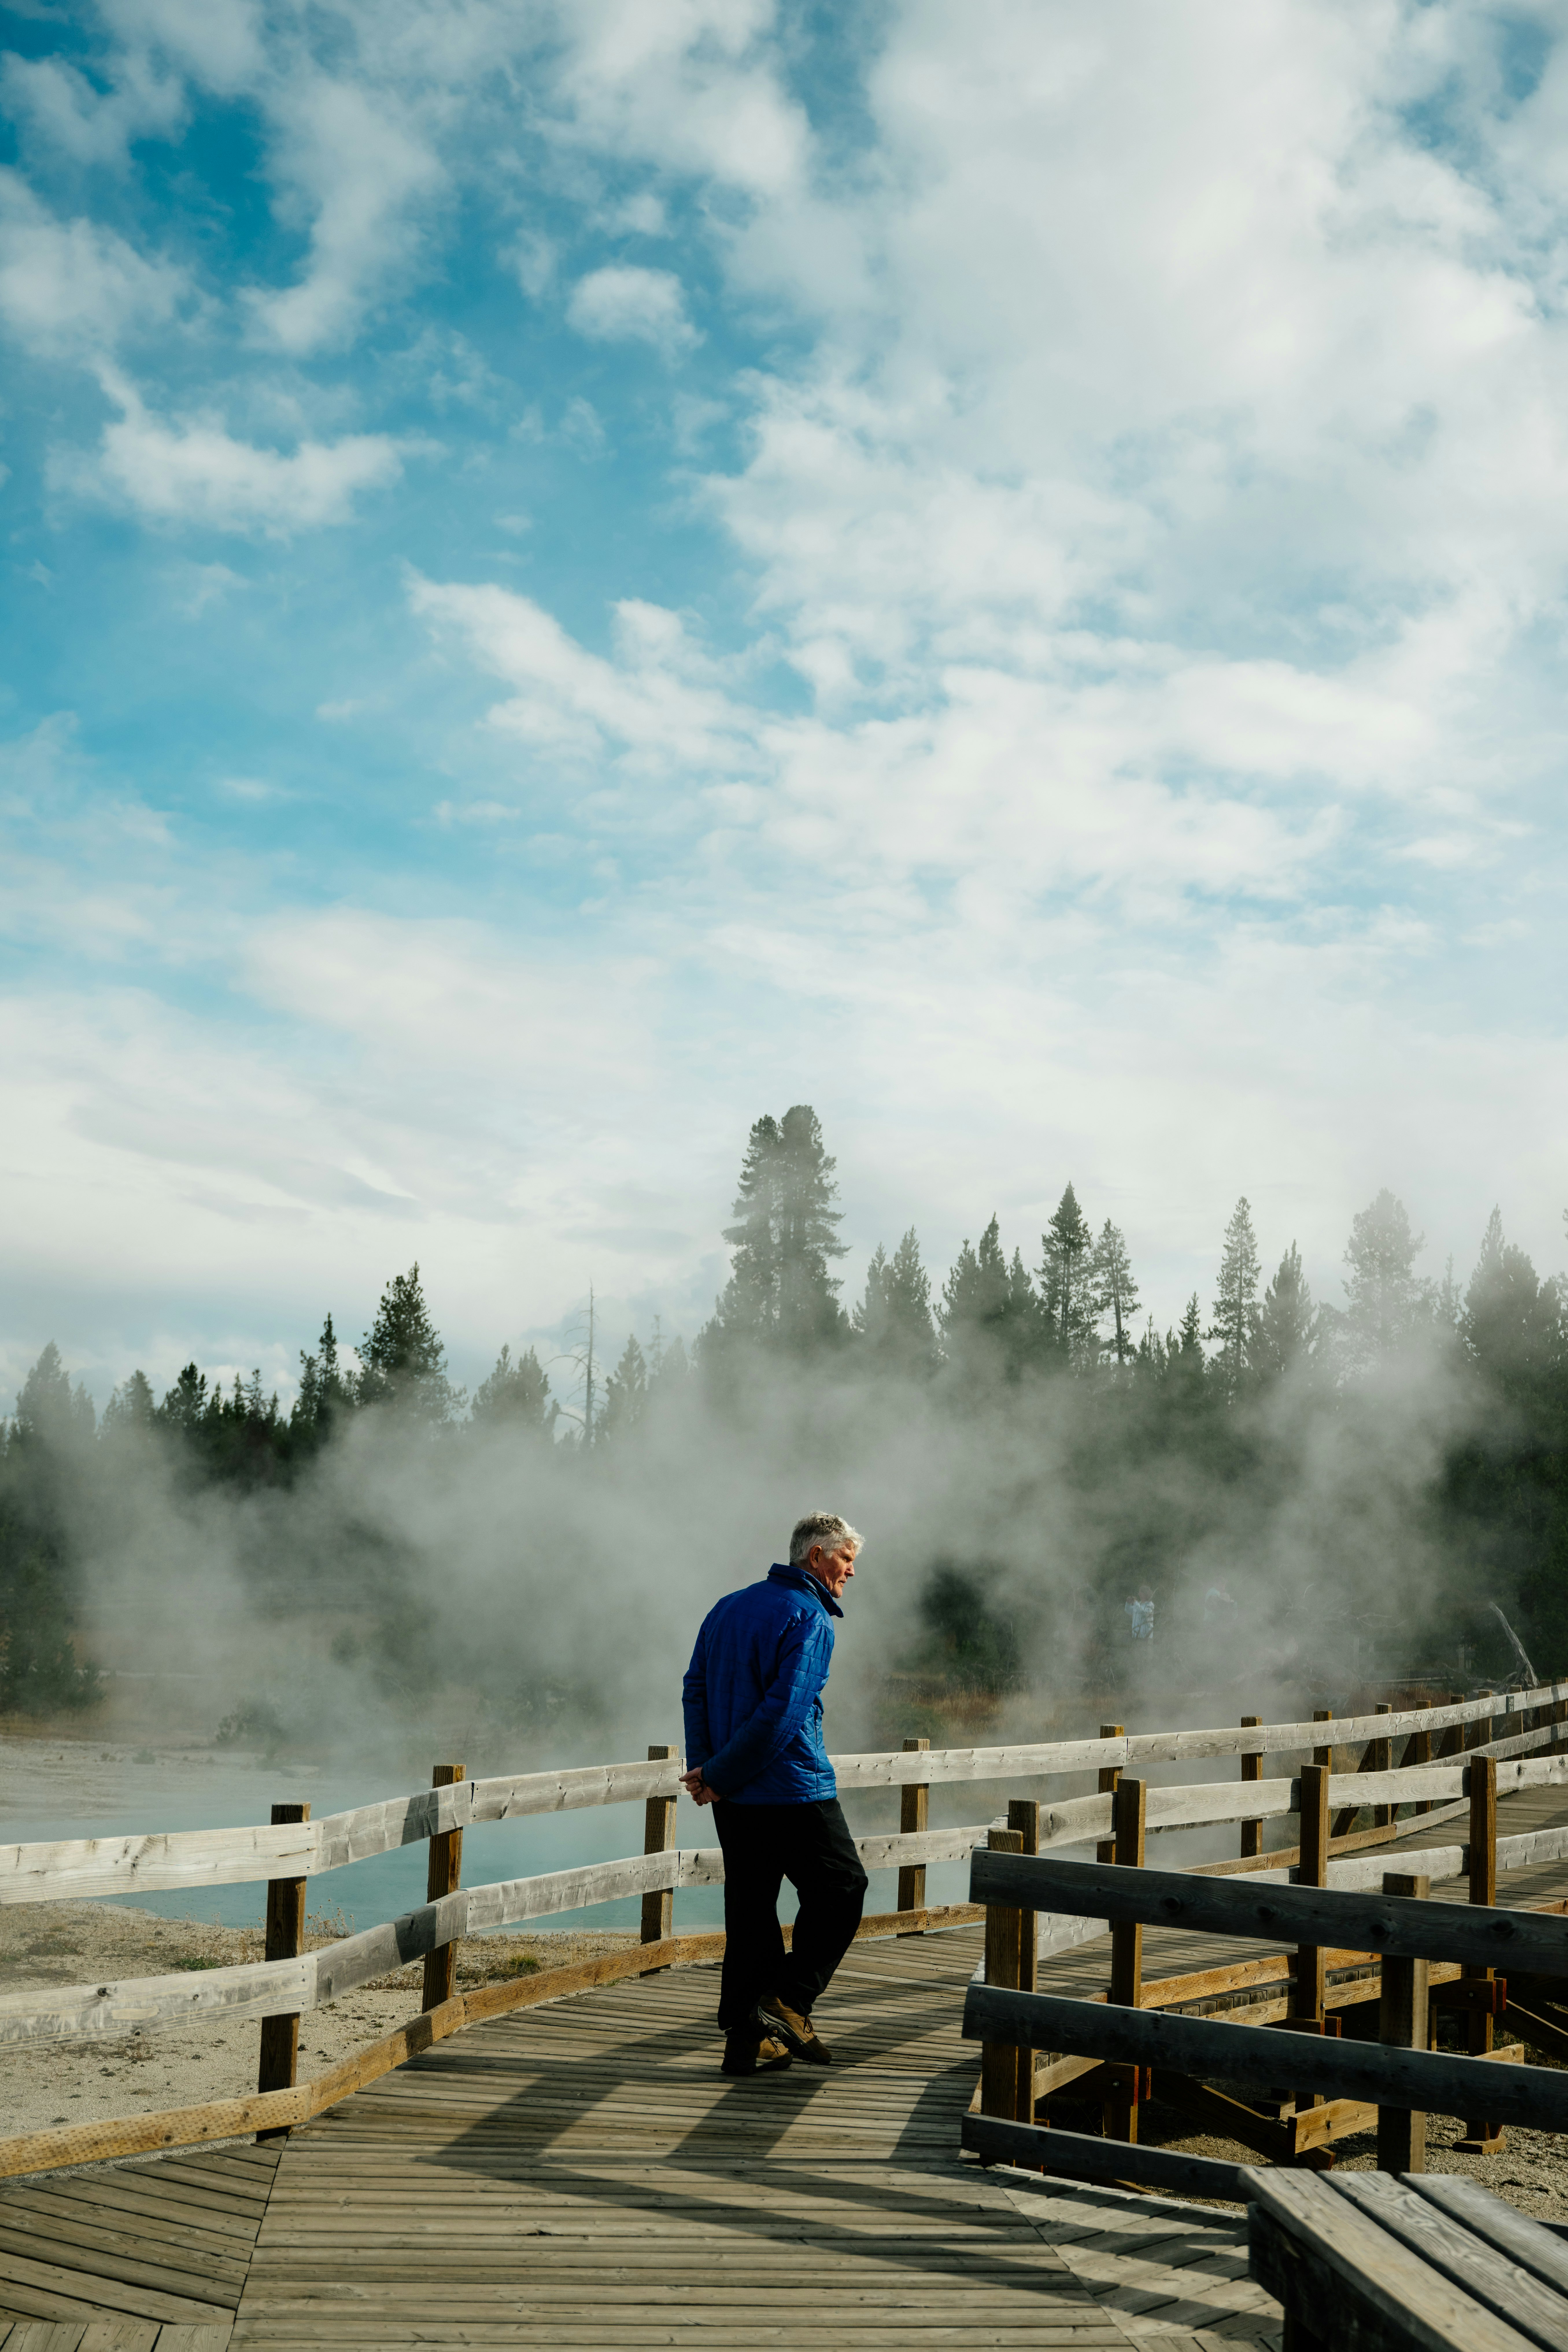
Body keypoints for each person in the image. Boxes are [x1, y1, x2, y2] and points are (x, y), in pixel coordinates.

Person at [681, 1511, 869, 2077]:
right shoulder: (811, 1619)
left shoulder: (727, 1606)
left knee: (752, 1913)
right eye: (846, 1560)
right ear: (816, 1557)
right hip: (792, 1790)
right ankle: (789, 2000)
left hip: (735, 1800)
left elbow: (695, 1690)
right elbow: (782, 1718)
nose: (851, 1573)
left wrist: (709, 1771)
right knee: (843, 1889)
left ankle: (751, 2045)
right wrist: (722, 1772)